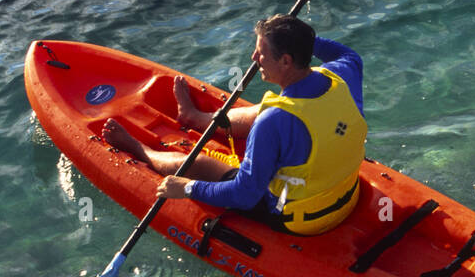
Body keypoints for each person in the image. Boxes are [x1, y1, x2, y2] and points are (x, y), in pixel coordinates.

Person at [101, 14, 367, 234]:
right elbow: (348, 53)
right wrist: (294, 38)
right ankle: (195, 118)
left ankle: (138, 149)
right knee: (268, 109)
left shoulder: (272, 123)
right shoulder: (344, 72)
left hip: (305, 219)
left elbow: (245, 195)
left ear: (286, 60)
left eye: (261, 52)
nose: (254, 58)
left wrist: (186, 188)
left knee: (198, 165)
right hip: (348, 195)